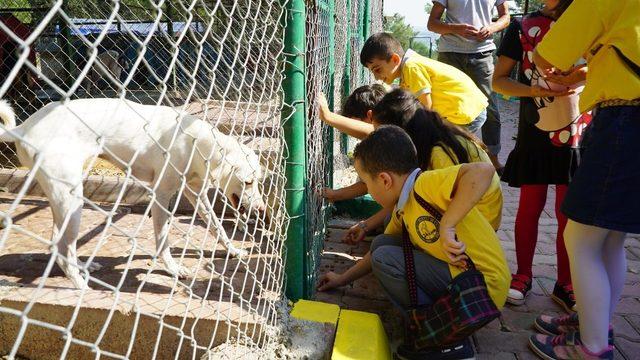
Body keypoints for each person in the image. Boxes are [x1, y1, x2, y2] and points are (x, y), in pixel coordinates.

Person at [321, 125, 509, 359]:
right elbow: (376, 252)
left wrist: (447, 225)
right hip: (469, 282)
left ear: (384, 180)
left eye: (367, 184)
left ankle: (441, 338)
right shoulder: (403, 206)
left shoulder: (424, 185)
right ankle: (438, 324)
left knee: (384, 257)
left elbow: (483, 171)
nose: (368, 189)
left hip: (482, 288)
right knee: (381, 244)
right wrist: (342, 279)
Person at [525, 0, 640, 359]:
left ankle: (592, 348)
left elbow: (547, 55)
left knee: (580, 237)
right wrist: (584, 71)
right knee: (609, 238)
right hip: (630, 117)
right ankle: (594, 323)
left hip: (622, 118)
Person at [492, 0, 580, 313]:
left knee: (568, 214)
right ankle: (523, 275)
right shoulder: (520, 27)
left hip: (577, 136)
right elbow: (499, 80)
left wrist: (581, 76)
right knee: (530, 206)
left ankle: (566, 283)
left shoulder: (590, 22)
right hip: (535, 134)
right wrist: (535, 92)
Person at [330, 89, 503, 245]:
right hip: (470, 220)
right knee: (390, 223)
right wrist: (366, 226)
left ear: (403, 132)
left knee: (386, 248)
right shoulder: (432, 138)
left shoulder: (438, 154)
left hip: (476, 231)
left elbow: (413, 204)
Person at [428, 0, 510, 172]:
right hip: (450, 55)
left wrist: (492, 28)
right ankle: (443, 156)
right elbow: (432, 24)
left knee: (490, 107)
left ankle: (492, 159)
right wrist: (456, 28)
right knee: (445, 108)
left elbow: (506, 17)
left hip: (482, 54)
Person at [360, 32, 488, 135]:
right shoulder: (409, 68)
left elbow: (426, 107)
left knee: (444, 146)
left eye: (377, 69)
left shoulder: (411, 67)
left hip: (465, 112)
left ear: (395, 59)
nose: (376, 76)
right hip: (465, 110)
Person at [318, 84, 384, 204]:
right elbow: (368, 184)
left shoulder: (389, 135)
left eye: (351, 123)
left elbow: (375, 132)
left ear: (370, 116)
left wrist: (328, 116)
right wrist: (336, 194)